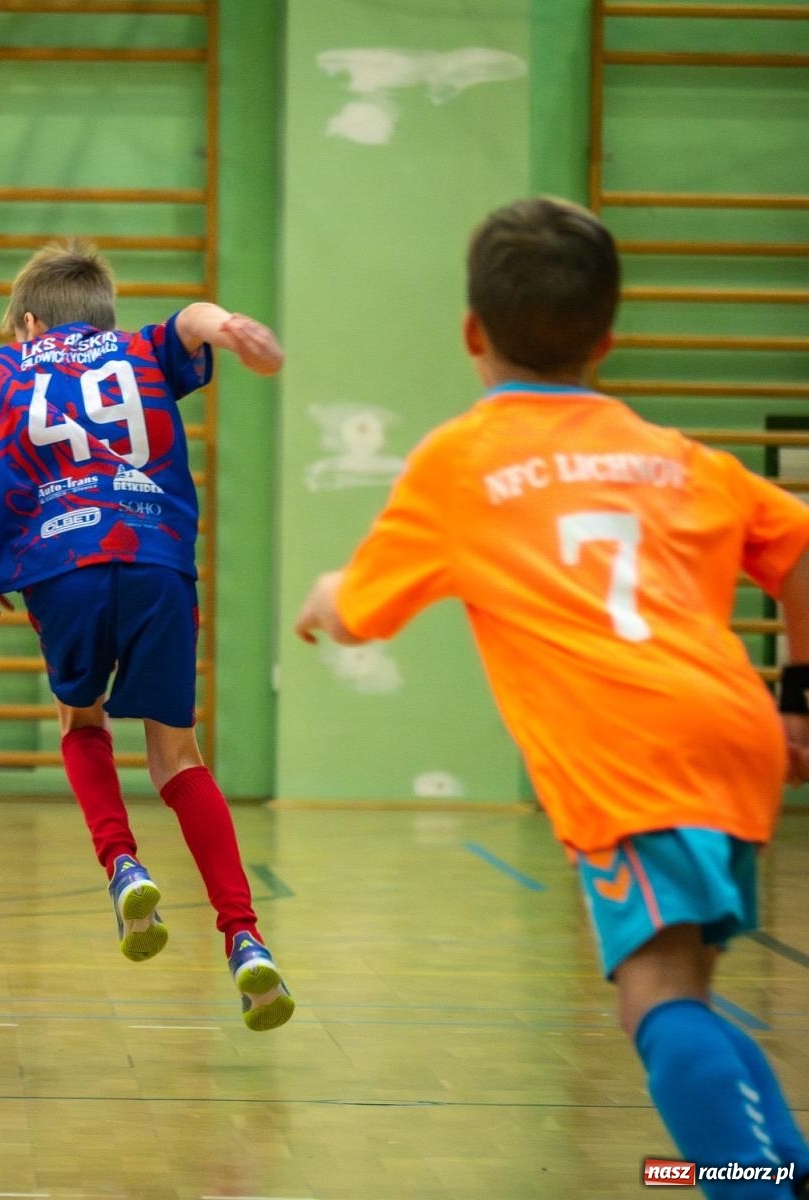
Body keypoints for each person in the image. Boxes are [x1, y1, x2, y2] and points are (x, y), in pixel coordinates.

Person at [296, 197, 809, 1197]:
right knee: (685, 989)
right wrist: (798, 704)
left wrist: (324, 597)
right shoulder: (676, 456)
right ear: (607, 340)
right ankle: (778, 1167)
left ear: (471, 333)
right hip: (734, 733)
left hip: (631, 754)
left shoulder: (460, 462)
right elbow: (799, 548)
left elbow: (357, 613)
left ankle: (748, 1184)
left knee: (653, 997)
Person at [0, 239, 295, 1031]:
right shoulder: (141, 348)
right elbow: (192, 319)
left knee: (80, 720)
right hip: (156, 557)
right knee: (178, 757)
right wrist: (229, 327)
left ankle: (123, 865)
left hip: (62, 563)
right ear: (103, 316)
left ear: (28, 323)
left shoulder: (4, 367)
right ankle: (246, 940)